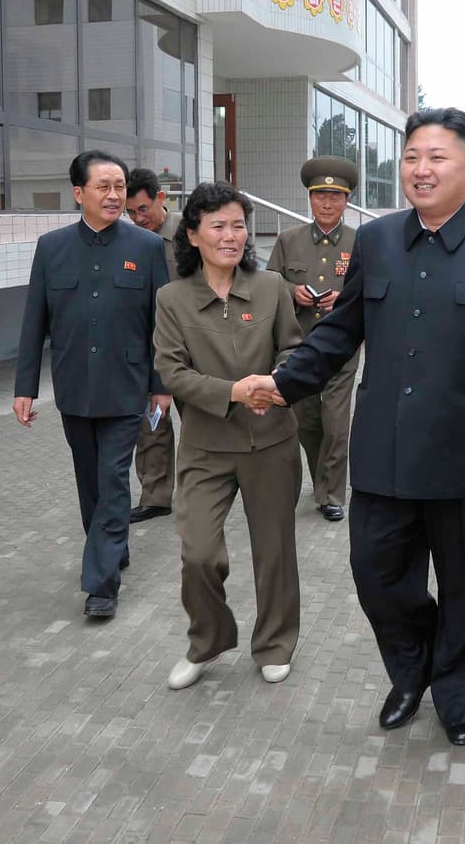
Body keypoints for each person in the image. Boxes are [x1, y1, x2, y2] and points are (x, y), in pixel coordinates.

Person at [246, 107, 465, 747]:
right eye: (412, 156)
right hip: (388, 448)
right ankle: (414, 667)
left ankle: (462, 693)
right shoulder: (378, 240)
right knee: (378, 573)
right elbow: (342, 330)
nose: (421, 170)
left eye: (437, 157)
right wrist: (285, 383)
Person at [153, 182, 304, 689]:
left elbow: (294, 351)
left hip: (271, 442)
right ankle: (208, 640)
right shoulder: (171, 299)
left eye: (238, 224)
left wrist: (277, 383)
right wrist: (234, 392)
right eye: (217, 225)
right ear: (192, 234)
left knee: (275, 552)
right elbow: (171, 373)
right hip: (205, 447)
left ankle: (275, 644)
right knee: (198, 552)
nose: (230, 235)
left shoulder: (271, 287)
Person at [13, 151, 170, 620]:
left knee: (113, 478)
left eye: (119, 185)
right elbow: (33, 321)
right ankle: (110, 543)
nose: (114, 194)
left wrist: (161, 384)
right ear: (78, 192)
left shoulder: (146, 247)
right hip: (74, 385)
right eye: (102, 186)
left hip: (127, 385)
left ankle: (101, 584)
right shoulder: (52, 246)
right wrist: (24, 387)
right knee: (89, 483)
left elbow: (160, 323)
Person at [265, 156, 361, 522]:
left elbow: (373, 290)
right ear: (309, 197)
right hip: (299, 344)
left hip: (343, 346)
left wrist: (346, 296)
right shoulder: (289, 240)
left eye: (335, 196)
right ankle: (322, 478)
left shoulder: (361, 241)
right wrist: (292, 291)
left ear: (347, 200)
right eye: (320, 195)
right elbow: (269, 284)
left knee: (336, 421)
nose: (327, 203)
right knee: (306, 421)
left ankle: (331, 493)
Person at [124, 167, 180, 524]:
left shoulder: (192, 234)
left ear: (161, 198)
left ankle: (210, 487)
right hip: (149, 346)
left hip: (193, 346)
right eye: (131, 212)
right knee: (152, 423)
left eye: (143, 209)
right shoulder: (130, 242)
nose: (137, 218)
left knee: (205, 422)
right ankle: (156, 495)